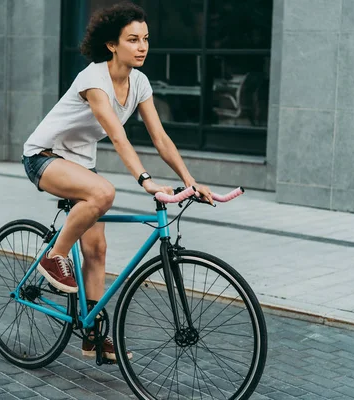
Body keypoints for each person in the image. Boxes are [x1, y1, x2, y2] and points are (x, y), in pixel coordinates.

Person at [21, 2, 213, 362]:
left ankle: (92, 337)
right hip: (43, 156)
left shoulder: (138, 82)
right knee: (103, 192)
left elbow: (160, 137)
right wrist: (145, 181)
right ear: (112, 44)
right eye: (132, 40)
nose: (142, 47)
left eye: (146, 39)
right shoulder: (94, 80)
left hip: (78, 164)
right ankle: (55, 256)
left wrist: (190, 180)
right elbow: (118, 137)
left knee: (97, 250)